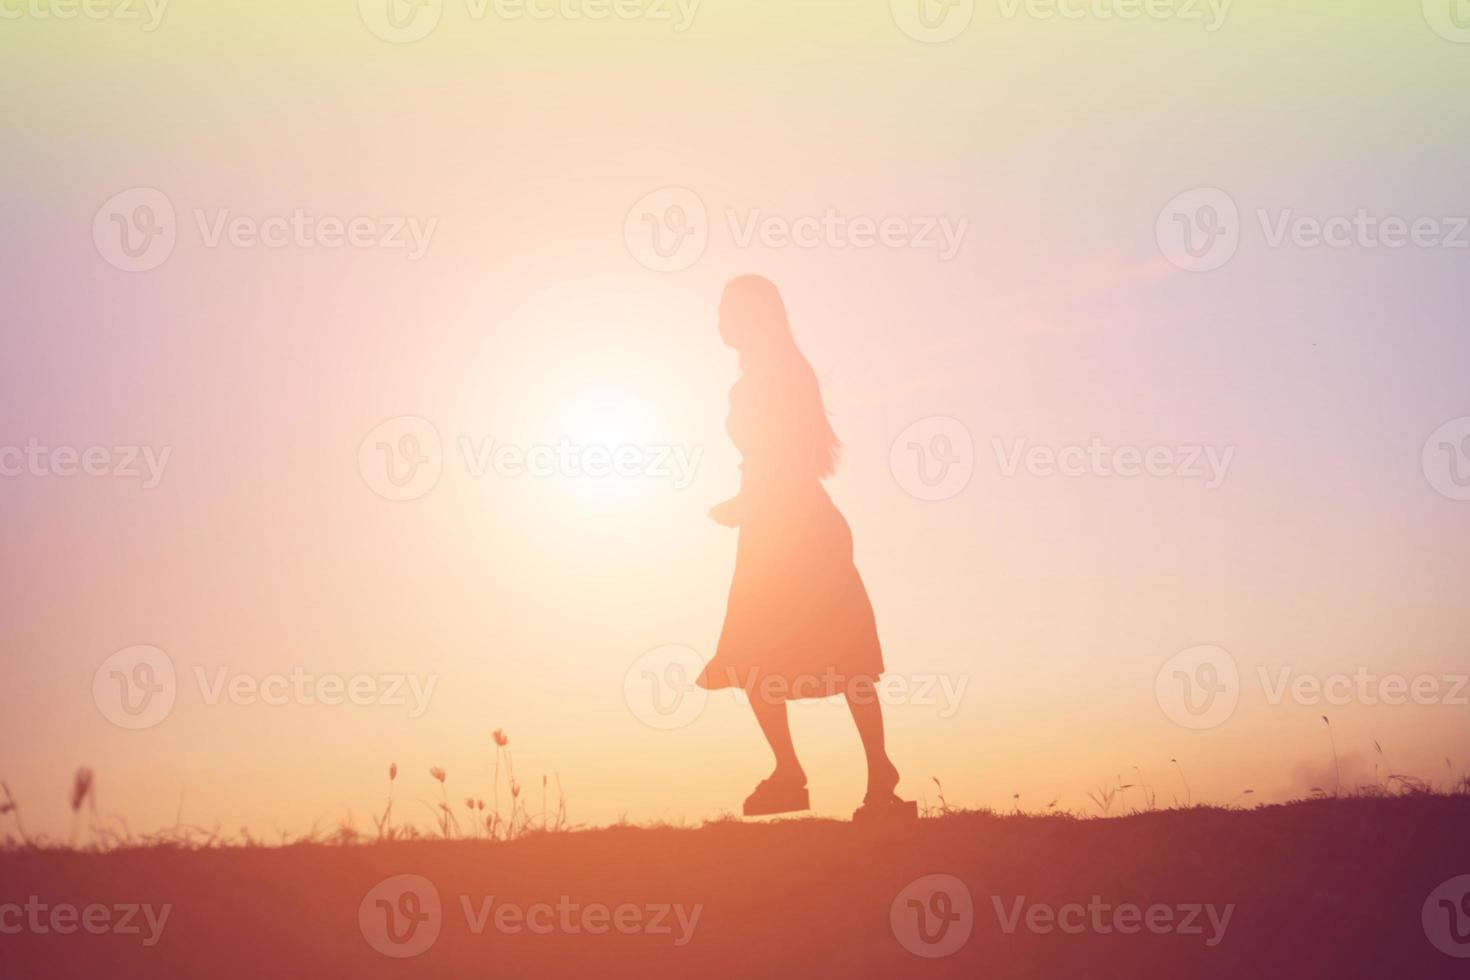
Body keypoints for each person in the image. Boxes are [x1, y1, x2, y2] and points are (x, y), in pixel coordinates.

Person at [698, 274, 909, 820]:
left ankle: (865, 773)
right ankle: (796, 772)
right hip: (774, 522)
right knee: (755, 649)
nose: (719, 318)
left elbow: (786, 455)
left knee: (829, 647)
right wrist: (746, 503)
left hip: (795, 525)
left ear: (751, 315)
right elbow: (771, 458)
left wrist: (748, 503)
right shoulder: (770, 375)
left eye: (727, 309)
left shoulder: (779, 376)